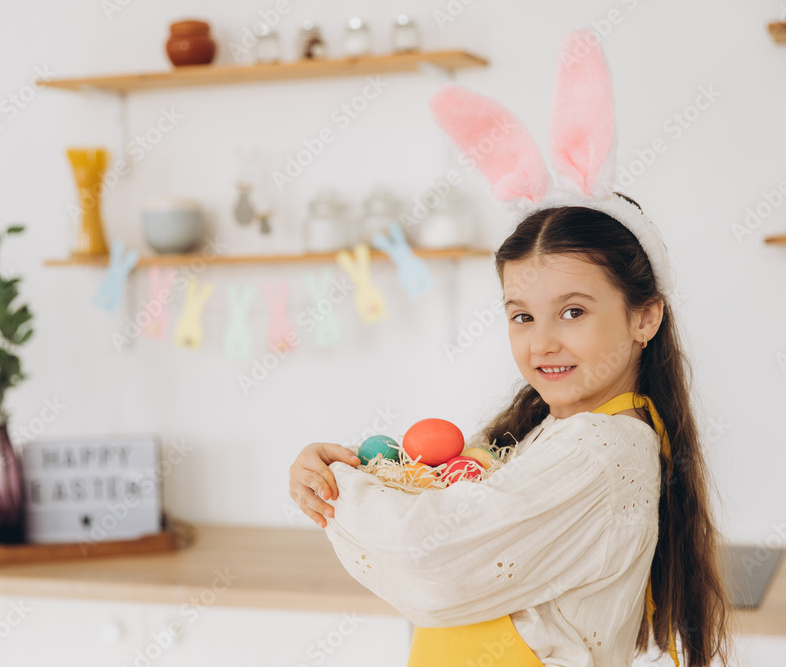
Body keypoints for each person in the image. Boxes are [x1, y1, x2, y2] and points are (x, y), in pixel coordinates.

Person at [288, 29, 733, 667]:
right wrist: (358, 470)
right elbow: (447, 504)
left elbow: (431, 558)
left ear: (645, 317)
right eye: (521, 315)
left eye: (573, 311)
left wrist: (339, 492)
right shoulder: (551, 432)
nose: (542, 341)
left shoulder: (604, 448)